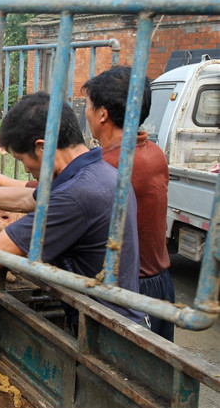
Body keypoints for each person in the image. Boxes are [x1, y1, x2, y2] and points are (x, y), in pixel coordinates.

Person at [0, 91, 147, 328]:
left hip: (106, 327)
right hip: (117, 315)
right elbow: (27, 198)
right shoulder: (96, 173)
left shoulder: (76, 195)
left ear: (41, 147)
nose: (26, 169)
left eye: (21, 160)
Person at [83, 66, 174, 340]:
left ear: (102, 114)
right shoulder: (154, 153)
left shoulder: (112, 164)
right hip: (160, 283)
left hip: (129, 289)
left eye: (88, 105)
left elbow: (56, 193)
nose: (85, 112)